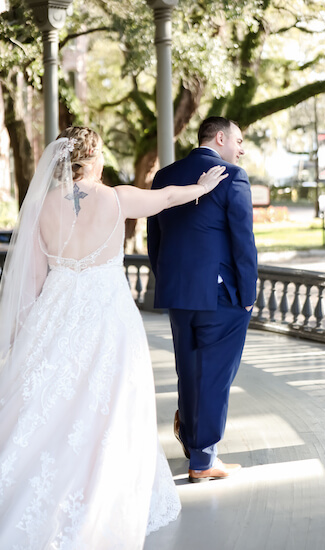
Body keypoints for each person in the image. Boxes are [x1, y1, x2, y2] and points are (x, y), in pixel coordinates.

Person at [0, 126, 228, 549]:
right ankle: (101, 492)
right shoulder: (117, 198)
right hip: (109, 320)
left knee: (55, 404)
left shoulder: (42, 209)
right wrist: (201, 185)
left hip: (57, 314)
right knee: (111, 407)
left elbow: (31, 285)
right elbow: (165, 199)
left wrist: (16, 341)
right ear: (93, 156)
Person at [147, 116, 258, 483]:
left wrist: (166, 282)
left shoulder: (164, 175)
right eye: (239, 141)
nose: (241, 149)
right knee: (213, 377)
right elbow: (244, 243)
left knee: (190, 370)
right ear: (221, 137)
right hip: (220, 296)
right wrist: (248, 296)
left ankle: (192, 439)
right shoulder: (232, 176)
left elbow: (155, 240)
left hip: (179, 294)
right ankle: (203, 459)